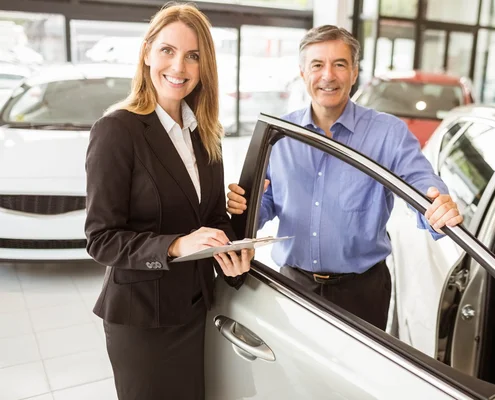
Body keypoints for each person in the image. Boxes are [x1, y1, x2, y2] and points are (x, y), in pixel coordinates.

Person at [226, 25, 462, 331]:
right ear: (302, 73)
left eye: (339, 64)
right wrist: (244, 208)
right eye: (317, 65)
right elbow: (266, 202)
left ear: (354, 72)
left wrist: (436, 202)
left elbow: (421, 180)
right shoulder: (277, 134)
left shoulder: (387, 133)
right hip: (291, 286)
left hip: (363, 292)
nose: (328, 76)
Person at [85, 4, 250, 399]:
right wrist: (176, 245)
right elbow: (101, 239)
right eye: (167, 50)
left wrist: (232, 252)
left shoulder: (205, 134)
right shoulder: (117, 130)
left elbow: (210, 216)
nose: (179, 66)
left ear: (204, 66)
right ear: (146, 53)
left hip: (195, 310)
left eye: (193, 56)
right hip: (141, 320)